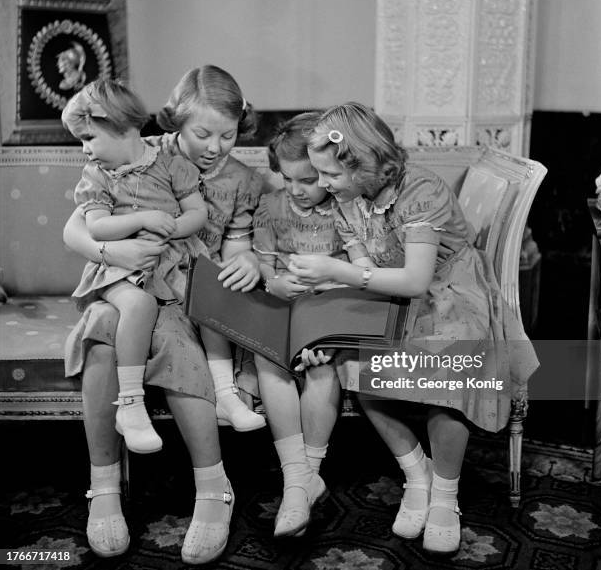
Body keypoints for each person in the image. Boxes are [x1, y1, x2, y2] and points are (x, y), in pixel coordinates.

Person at [288, 102, 538, 555]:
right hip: (391, 293)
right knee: (357, 369)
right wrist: (338, 291)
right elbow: (365, 262)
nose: (322, 184)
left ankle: (446, 497)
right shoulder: (349, 197)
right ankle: (417, 473)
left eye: (330, 175)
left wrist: (337, 272)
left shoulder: (420, 191)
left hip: (451, 290)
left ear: (361, 162)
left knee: (450, 375)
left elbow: (418, 280)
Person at [62, 65, 264, 564]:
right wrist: (115, 256)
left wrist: (249, 259)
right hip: (124, 278)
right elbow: (77, 230)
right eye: (201, 134)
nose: (215, 146)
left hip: (185, 288)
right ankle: (104, 485)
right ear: (175, 125)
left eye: (228, 135)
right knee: (104, 326)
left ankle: (213, 486)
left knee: (168, 336)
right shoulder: (145, 152)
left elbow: (237, 245)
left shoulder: (243, 181)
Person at [62, 78, 208, 456]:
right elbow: (96, 226)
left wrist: (170, 227)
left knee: (205, 307)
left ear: (124, 128)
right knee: (139, 305)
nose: (85, 150)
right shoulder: (97, 176)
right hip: (114, 272)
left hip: (164, 267)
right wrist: (144, 218)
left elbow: (198, 214)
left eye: (89, 138)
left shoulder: (170, 163)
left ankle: (223, 391)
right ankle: (130, 403)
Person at [252, 113, 344, 537]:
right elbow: (263, 265)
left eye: (308, 180)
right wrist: (274, 282)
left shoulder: (347, 208)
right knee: (267, 356)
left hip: (330, 309)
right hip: (281, 306)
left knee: (320, 365)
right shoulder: (272, 207)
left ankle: (306, 476)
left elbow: (358, 270)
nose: (296, 190)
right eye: (287, 179)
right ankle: (297, 480)